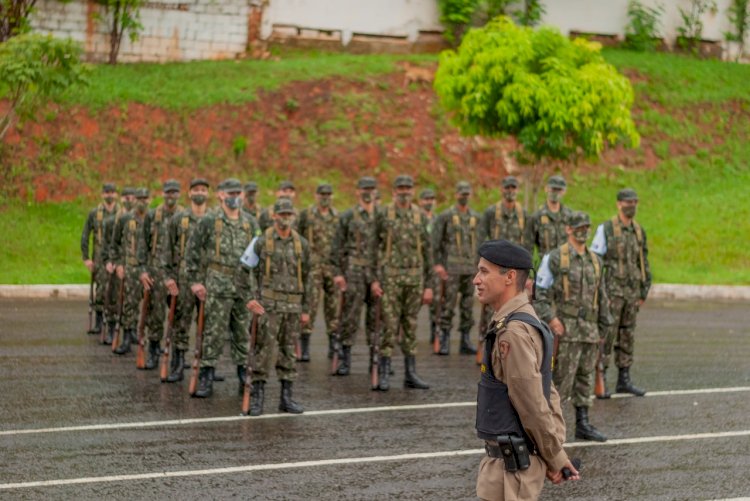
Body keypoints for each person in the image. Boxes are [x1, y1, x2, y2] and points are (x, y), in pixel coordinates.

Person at [473, 239, 579, 500]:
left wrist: (554, 456)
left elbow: (532, 402)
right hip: (513, 464)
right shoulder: (523, 320)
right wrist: (553, 453)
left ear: (509, 277)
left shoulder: (513, 332)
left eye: (484, 272)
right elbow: (546, 390)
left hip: (510, 472)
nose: (476, 279)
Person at [534, 212, 611, 442]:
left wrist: (603, 328)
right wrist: (551, 319)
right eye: (579, 227)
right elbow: (540, 292)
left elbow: (602, 296)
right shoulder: (556, 258)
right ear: (568, 229)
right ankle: (548, 427)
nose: (583, 231)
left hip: (589, 330)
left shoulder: (596, 261)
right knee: (560, 382)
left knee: (585, 379)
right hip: (565, 330)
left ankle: (583, 423)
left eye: (586, 227)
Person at [185, 178, 255, 398]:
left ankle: (244, 374)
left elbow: (258, 254)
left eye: (238, 192)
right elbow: (192, 250)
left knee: (243, 332)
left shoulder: (250, 222)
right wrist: (195, 281)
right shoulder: (209, 221)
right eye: (230, 193)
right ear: (221, 195)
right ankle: (206, 375)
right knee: (213, 332)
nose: (235, 197)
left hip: (243, 287)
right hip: (217, 284)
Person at [246, 198, 311, 415]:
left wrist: (306, 310)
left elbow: (309, 279)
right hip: (268, 308)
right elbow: (244, 269)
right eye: (281, 214)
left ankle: (286, 397)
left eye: (288, 215)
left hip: (292, 308)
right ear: (274, 216)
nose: (285, 218)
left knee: (288, 352)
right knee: (263, 351)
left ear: (293, 216)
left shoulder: (302, 244)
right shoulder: (261, 241)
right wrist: (250, 298)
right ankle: (257, 398)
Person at [370, 174, 433, 391]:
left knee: (411, 326)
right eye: (401, 188)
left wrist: (429, 285)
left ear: (412, 190)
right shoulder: (383, 214)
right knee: (389, 325)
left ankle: (410, 373)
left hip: (414, 279)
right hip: (391, 279)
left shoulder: (420, 217)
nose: (404, 191)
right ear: (394, 191)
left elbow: (428, 252)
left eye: (408, 187)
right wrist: (374, 279)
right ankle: (385, 372)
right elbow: (372, 248)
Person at [591, 188, 650, 397]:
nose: (631, 205)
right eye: (627, 202)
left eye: (634, 202)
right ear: (618, 204)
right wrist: (598, 291)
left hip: (632, 293)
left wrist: (644, 289)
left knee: (627, 334)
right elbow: (595, 260)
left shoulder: (638, 231)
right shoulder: (606, 229)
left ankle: (624, 378)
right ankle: (602, 377)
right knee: (607, 335)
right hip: (612, 293)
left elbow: (643, 261)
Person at [160, 178, 210, 383]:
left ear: (208, 194)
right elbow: (167, 251)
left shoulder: (216, 219)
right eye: (196, 190)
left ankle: (207, 367)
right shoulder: (178, 220)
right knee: (181, 324)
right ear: (189, 194)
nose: (199, 193)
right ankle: (178, 364)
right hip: (183, 280)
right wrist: (168, 278)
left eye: (203, 190)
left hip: (209, 280)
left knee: (209, 325)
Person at [330, 176, 378, 376]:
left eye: (371, 188)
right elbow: (337, 247)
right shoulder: (348, 216)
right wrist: (338, 273)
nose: (367, 192)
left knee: (377, 319)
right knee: (350, 317)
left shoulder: (382, 216)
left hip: (376, 273)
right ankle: (345, 360)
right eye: (364, 189)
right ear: (357, 191)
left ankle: (376, 361)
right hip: (354, 272)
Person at [477, 176, 530, 352]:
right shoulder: (491, 213)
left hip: (515, 272)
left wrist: (527, 275)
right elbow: (480, 240)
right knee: (489, 309)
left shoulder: (524, 214)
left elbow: (528, 245)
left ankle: (508, 345)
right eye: (507, 187)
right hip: (494, 269)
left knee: (515, 307)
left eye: (514, 188)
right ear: (502, 189)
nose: (510, 191)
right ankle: (486, 345)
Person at [138, 180, 184, 370]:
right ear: (163, 194)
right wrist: (143, 270)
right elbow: (143, 243)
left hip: (178, 273)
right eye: (168, 192)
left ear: (179, 194)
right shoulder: (152, 215)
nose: (171, 196)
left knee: (179, 316)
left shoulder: (185, 216)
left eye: (174, 192)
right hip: (156, 272)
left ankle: (176, 356)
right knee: (155, 316)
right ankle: (154, 351)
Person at [432, 181, 479, 355]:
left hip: (470, 269)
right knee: (448, 306)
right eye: (461, 194)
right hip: (450, 269)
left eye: (467, 194)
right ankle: (444, 338)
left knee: (468, 306)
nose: (464, 197)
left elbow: (479, 243)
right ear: (456, 195)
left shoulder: (475, 217)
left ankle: (465, 340)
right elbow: (435, 243)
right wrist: (437, 265)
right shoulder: (446, 216)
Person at [297, 183, 340, 362]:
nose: (325, 197)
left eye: (328, 194)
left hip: (332, 266)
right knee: (310, 306)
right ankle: (304, 345)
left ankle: (333, 345)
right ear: (316, 195)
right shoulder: (306, 215)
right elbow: (298, 239)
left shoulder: (337, 217)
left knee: (334, 307)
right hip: (313, 267)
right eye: (322, 194)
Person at [111, 188, 150, 355]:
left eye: (145, 198)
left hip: (150, 269)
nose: (142, 201)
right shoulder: (125, 219)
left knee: (151, 306)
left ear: (150, 199)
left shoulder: (154, 218)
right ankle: (127, 337)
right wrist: (119, 264)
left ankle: (147, 337)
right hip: (131, 267)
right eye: (139, 198)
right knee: (130, 304)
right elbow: (115, 243)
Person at [81, 183, 120, 336]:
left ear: (116, 195)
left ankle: (115, 322)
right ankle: (98, 322)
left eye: (112, 192)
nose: (109, 195)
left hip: (117, 256)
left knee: (117, 290)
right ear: (102, 195)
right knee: (101, 289)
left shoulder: (121, 213)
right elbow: (85, 235)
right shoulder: (94, 213)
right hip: (99, 256)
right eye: (107, 193)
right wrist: (86, 258)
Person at [527, 175, 574, 259]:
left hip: (567, 265)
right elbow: (528, 247)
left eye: (558, 190)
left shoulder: (570, 216)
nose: (555, 193)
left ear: (564, 191)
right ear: (546, 189)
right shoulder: (536, 217)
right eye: (553, 189)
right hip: (546, 265)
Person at [418, 188, 440, 346]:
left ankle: (435, 333)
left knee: (436, 301)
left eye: (431, 199)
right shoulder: (415, 218)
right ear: (420, 201)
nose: (429, 202)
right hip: (417, 265)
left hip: (434, 266)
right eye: (426, 199)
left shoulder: (438, 220)